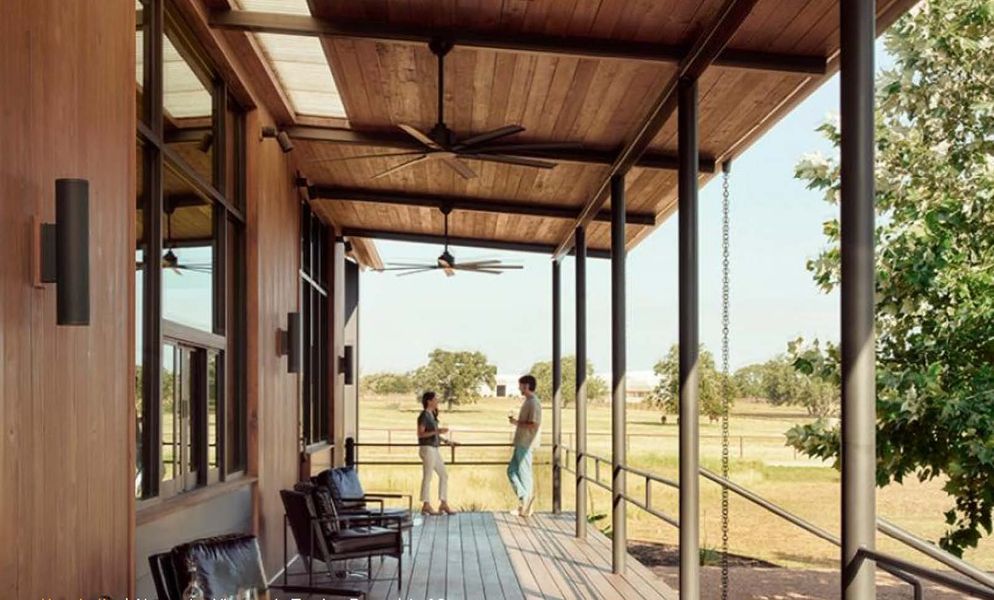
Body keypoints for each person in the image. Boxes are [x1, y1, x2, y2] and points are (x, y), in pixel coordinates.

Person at [507, 374, 542, 517]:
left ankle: (526, 506)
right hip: (521, 442)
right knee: (511, 471)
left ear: (526, 386)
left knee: (525, 473)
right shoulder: (528, 401)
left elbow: (534, 424)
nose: (518, 388)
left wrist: (517, 423)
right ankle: (524, 500)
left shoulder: (533, 402)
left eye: (520, 385)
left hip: (526, 443)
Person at [416, 391, 455, 516]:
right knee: (427, 476)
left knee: (443, 474)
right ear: (429, 401)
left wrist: (446, 441)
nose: (437, 401)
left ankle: (443, 503)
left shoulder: (432, 415)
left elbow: (434, 434)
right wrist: (437, 431)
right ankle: (426, 505)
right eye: (435, 399)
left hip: (434, 449)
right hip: (427, 449)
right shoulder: (424, 415)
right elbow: (420, 434)